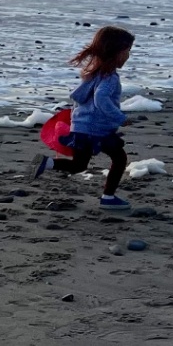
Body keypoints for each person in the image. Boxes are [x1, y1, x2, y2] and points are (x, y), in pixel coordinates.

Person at [33, 24, 135, 211]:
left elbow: (79, 100)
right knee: (119, 159)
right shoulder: (109, 78)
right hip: (97, 130)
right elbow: (101, 99)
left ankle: (46, 163)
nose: (128, 56)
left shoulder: (92, 74)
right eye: (127, 51)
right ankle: (108, 198)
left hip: (82, 127)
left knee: (79, 165)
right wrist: (119, 117)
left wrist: (75, 120)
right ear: (116, 52)